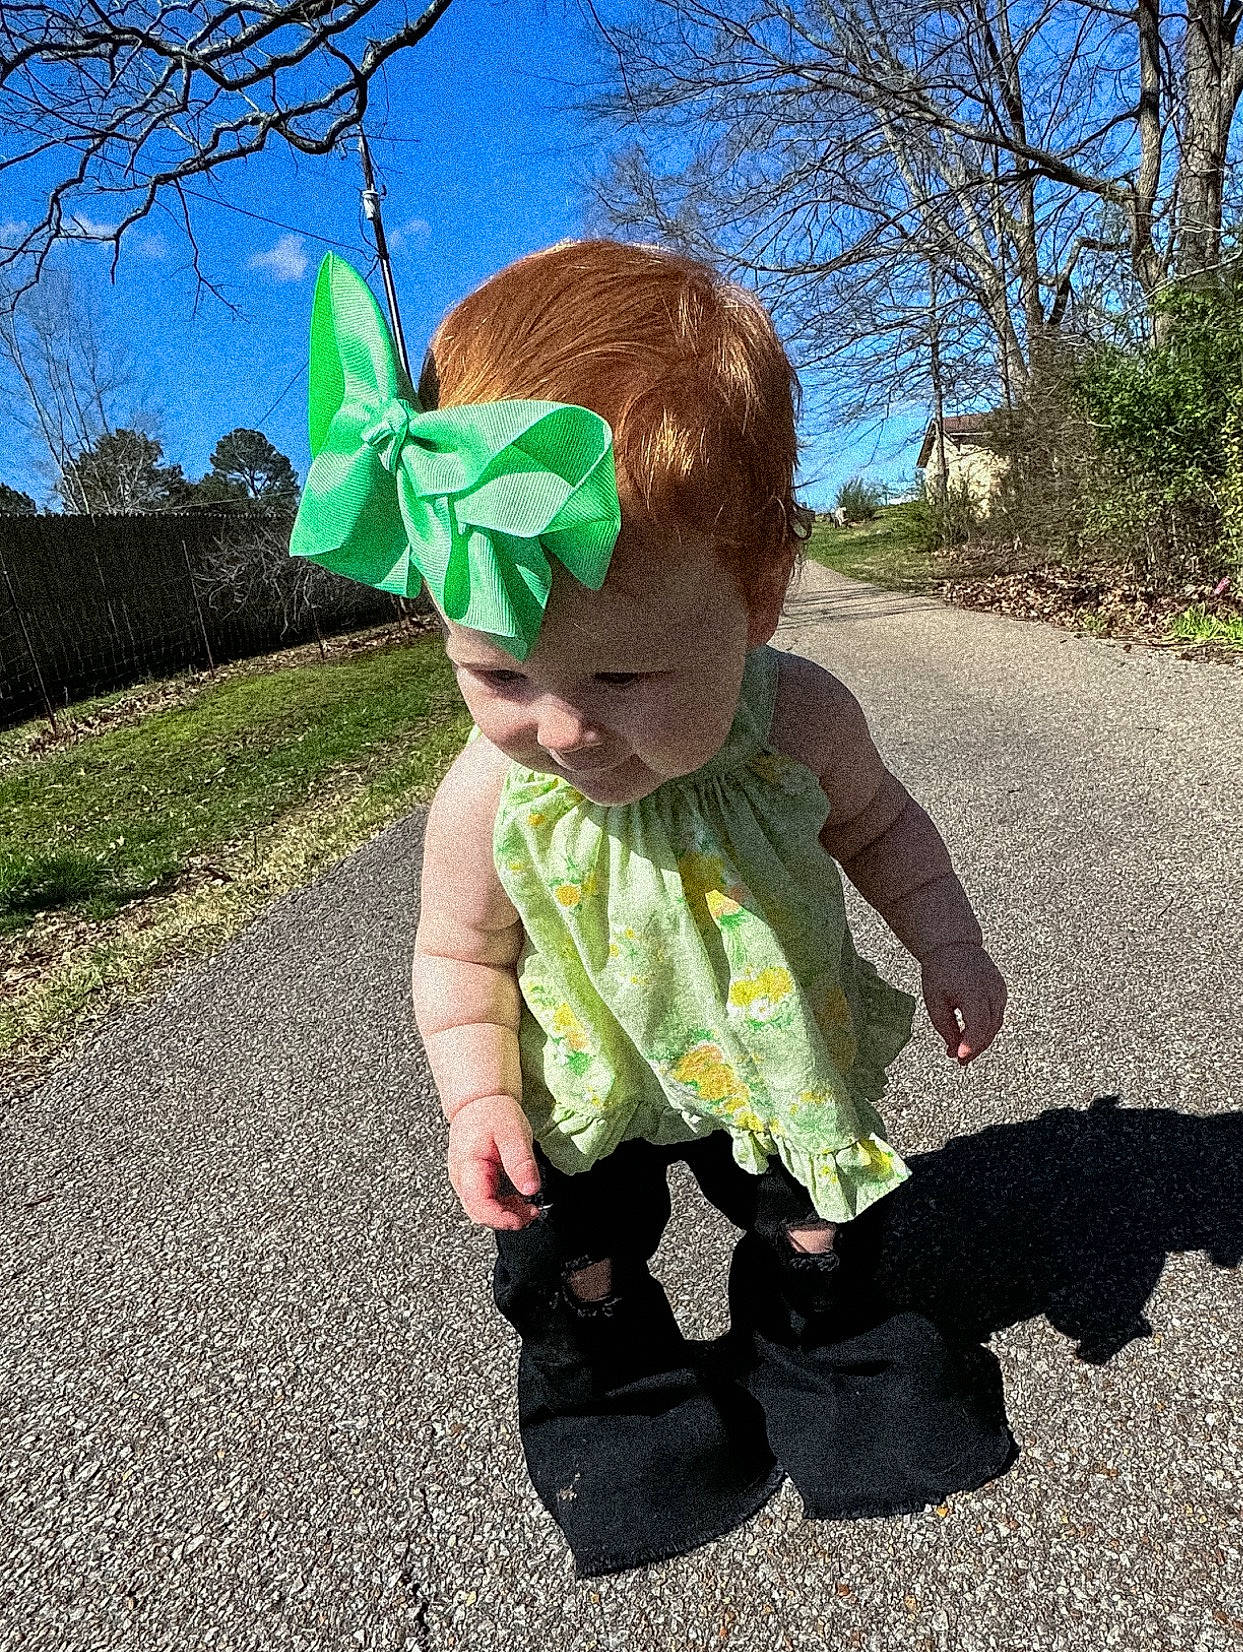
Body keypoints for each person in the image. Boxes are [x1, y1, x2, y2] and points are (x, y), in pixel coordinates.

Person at [290, 240, 1017, 1576]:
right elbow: (458, 954)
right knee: (575, 1254)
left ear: (755, 594)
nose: (564, 730)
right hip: (588, 1077)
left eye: (624, 674)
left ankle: (827, 1347)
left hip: (773, 1056)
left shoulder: (798, 719)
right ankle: (616, 1395)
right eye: (499, 673)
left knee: (817, 1216)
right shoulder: (486, 800)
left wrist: (948, 939)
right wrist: (479, 1100)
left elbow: (882, 827)